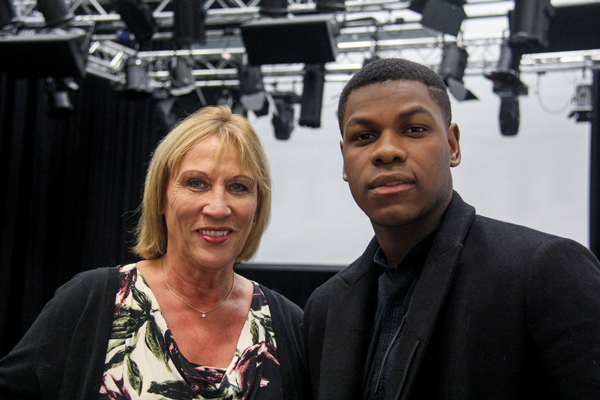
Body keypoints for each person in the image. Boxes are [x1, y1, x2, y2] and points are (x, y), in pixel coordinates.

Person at [303, 58, 600, 399]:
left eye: (414, 129)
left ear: (453, 145)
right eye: (364, 136)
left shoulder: (544, 273)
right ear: (345, 160)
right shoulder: (325, 308)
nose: (386, 151)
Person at [0, 105, 307, 400]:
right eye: (196, 183)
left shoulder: (288, 326)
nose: (217, 207)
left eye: (239, 187)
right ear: (160, 198)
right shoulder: (92, 302)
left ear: (257, 206)